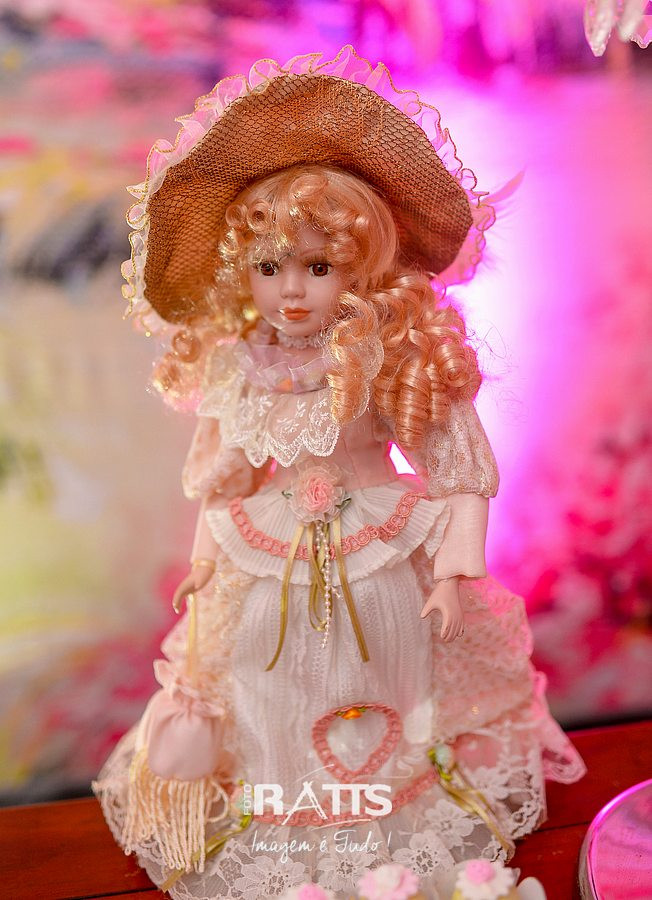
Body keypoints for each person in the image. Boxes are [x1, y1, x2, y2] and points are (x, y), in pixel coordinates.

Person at [93, 46, 585, 900]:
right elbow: (224, 480)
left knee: (387, 664)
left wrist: (455, 570)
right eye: (270, 267)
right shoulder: (240, 365)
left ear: (357, 270)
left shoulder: (382, 355)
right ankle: (283, 805)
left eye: (317, 268)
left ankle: (386, 808)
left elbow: (461, 471)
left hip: (378, 544)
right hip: (268, 549)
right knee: (264, 670)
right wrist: (205, 563)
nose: (291, 292)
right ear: (243, 272)